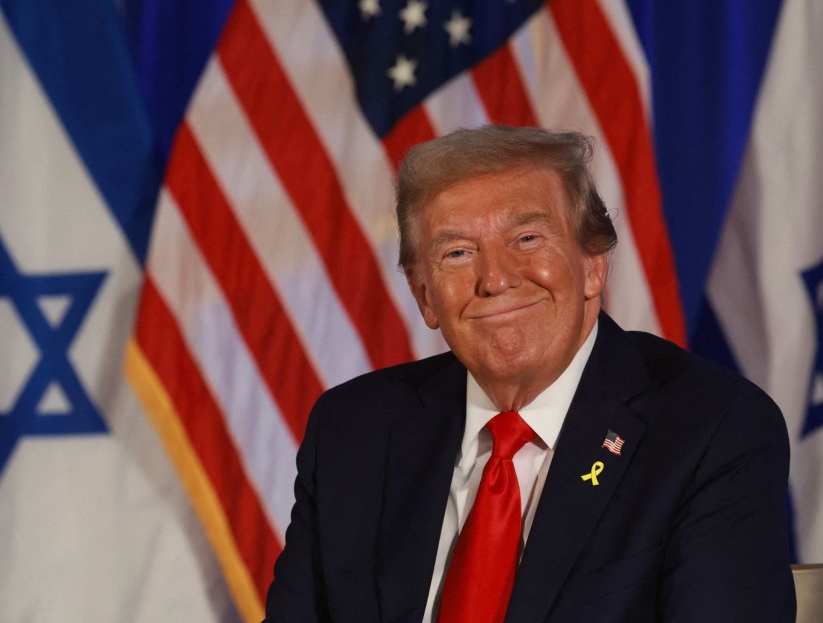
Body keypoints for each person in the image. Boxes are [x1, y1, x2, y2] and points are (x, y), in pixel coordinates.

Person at [264, 126, 796, 622]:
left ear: (593, 265)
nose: (494, 279)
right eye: (457, 252)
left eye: (526, 240)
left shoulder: (710, 429)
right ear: (424, 295)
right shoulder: (354, 431)